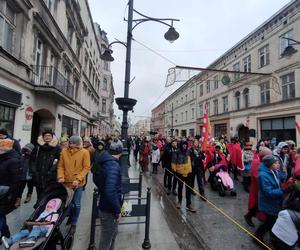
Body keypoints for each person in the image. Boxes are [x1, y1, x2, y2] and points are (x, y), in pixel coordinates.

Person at [93, 140, 123, 250]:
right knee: (107, 238)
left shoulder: (106, 161)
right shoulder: (113, 166)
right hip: (109, 208)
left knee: (112, 234)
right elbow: (110, 191)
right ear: (120, 153)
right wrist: (117, 210)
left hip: (106, 204)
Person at [57, 135, 90, 234]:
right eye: (69, 142)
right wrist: (60, 177)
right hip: (66, 182)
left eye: (72, 143)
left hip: (77, 184)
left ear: (77, 143)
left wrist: (78, 179)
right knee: (66, 203)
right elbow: (61, 166)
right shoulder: (64, 152)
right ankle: (68, 216)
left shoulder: (85, 152)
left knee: (76, 204)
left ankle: (74, 222)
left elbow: (86, 167)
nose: (70, 144)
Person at [254, 155, 287, 244]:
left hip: (275, 201)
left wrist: (284, 172)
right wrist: (283, 191)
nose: (278, 164)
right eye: (276, 163)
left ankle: (260, 236)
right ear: (270, 164)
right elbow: (268, 192)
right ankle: (258, 237)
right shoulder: (263, 175)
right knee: (270, 222)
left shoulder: (273, 170)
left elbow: (281, 178)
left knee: (270, 221)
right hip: (268, 203)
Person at [244, 146, 272, 227]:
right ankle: (248, 216)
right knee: (257, 205)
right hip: (258, 188)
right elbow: (257, 177)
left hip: (263, 188)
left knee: (261, 205)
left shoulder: (263, 163)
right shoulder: (256, 162)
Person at [0, 139, 22, 239]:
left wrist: (11, 195)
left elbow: (16, 181)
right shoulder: (3, 158)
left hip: (6, 193)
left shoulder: (13, 160)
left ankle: (5, 234)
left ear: (6, 148)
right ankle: (5, 233)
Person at [30, 130, 61, 201]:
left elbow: (60, 162)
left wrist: (52, 171)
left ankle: (47, 209)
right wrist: (34, 171)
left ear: (52, 137)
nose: (47, 137)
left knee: (49, 195)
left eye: (49, 135)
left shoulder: (57, 148)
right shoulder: (38, 147)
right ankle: (39, 209)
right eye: (45, 136)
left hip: (51, 176)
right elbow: (32, 160)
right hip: (39, 176)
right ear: (43, 137)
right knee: (39, 195)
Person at [172, 141, 196, 212]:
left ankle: (188, 204)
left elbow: (193, 159)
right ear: (181, 145)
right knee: (180, 188)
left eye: (186, 145)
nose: (184, 146)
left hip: (188, 173)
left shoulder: (189, 152)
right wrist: (175, 170)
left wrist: (192, 166)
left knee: (188, 189)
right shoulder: (177, 152)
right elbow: (173, 162)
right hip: (180, 173)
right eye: (183, 145)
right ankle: (179, 201)